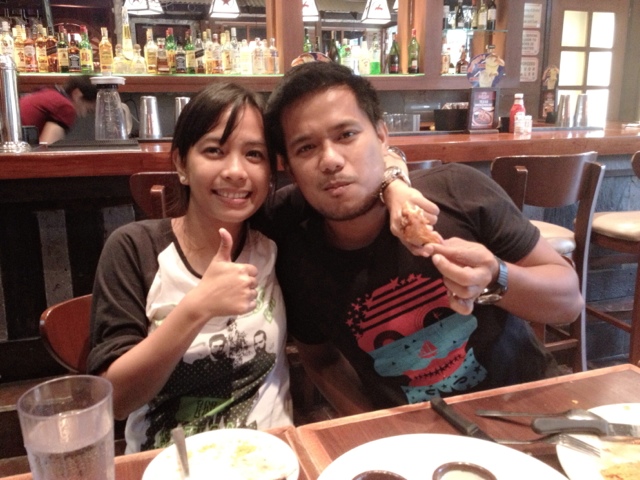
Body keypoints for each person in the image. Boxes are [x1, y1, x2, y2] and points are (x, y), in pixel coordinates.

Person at [261, 62, 584, 416]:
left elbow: (569, 302)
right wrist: (375, 427)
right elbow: (320, 360)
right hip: (413, 432)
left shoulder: (457, 191)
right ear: (289, 168)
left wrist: (496, 275)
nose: (330, 160)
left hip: (528, 408)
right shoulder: (296, 251)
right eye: (306, 148)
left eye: (346, 135)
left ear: (382, 136)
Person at [87, 82, 292, 453]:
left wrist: (394, 184)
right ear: (182, 163)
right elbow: (115, 401)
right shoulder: (135, 248)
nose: (236, 171)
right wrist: (198, 307)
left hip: (272, 457)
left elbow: (345, 188)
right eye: (214, 150)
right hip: (169, 463)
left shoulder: (276, 235)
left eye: (254, 154)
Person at [19, 75, 97, 144]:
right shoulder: (65, 107)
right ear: (77, 94)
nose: (84, 115)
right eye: (88, 110)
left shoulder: (50, 94)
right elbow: (48, 146)